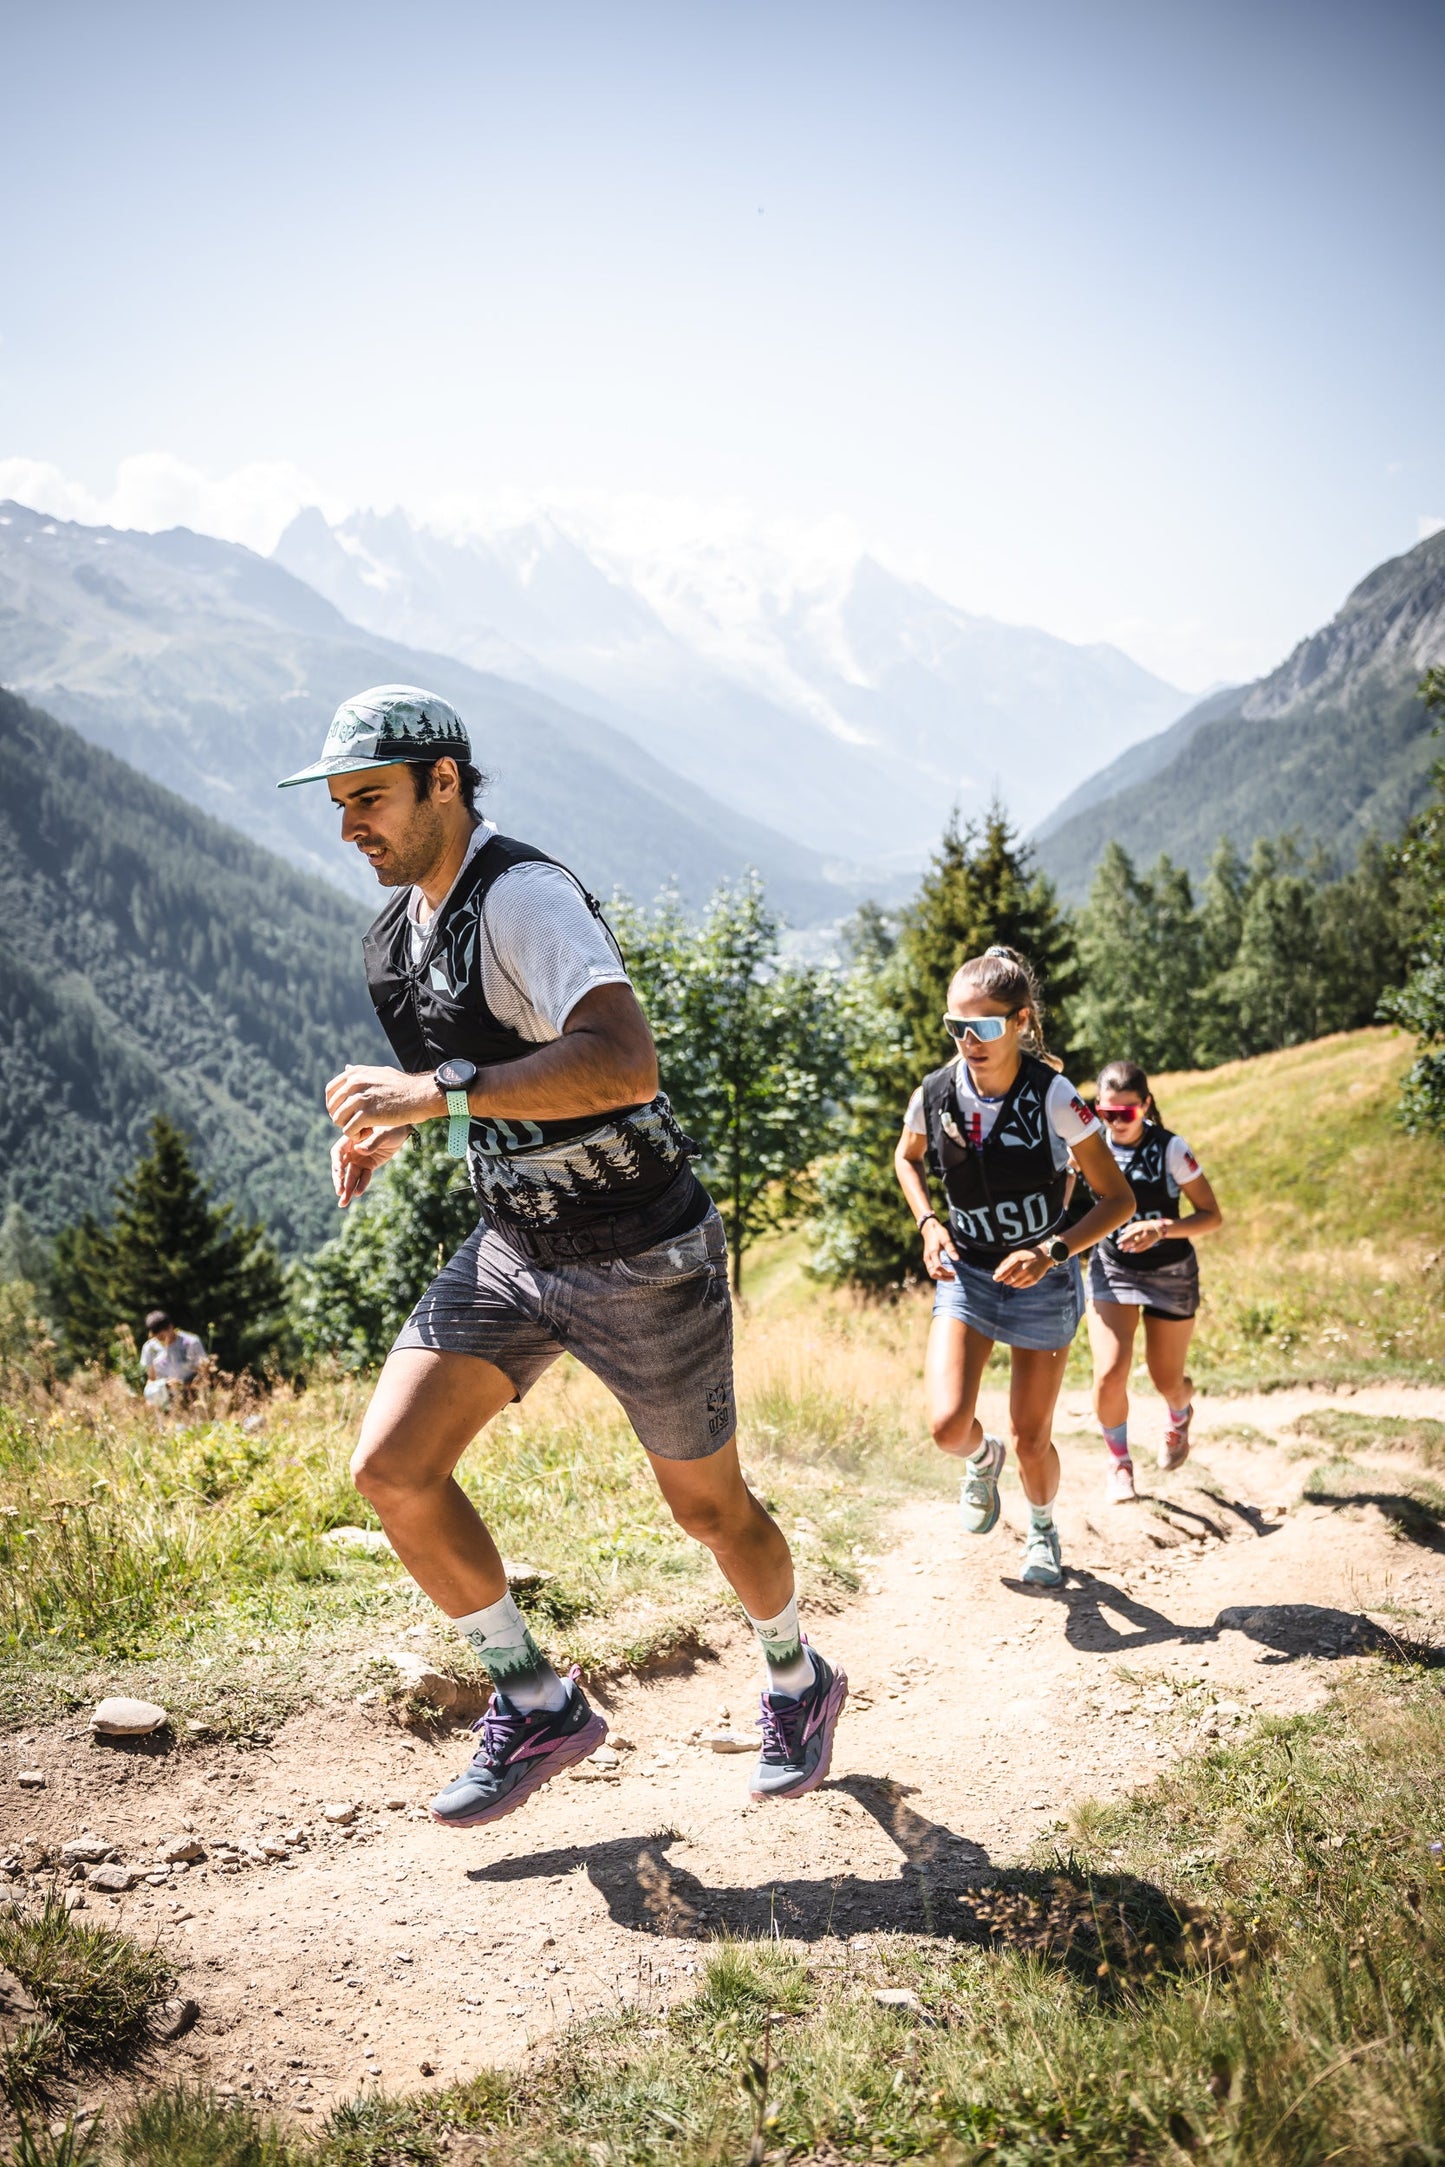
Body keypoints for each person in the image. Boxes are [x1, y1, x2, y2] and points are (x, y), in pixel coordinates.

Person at [276, 684, 846, 1826]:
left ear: (445, 780)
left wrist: (434, 1096)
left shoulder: (524, 899)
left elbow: (623, 1063)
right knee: (391, 1470)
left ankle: (796, 1673)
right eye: (339, 805)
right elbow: (485, 1094)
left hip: (643, 1253)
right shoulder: (395, 936)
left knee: (710, 1512)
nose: (350, 828)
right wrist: (404, 1127)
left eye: (371, 799)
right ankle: (534, 1699)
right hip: (515, 1246)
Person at [893, 946, 1134, 1587]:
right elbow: (906, 1158)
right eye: (956, 1026)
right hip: (967, 1274)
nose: (969, 1040)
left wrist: (1052, 1251)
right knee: (947, 1427)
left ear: (1021, 1020)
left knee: (1034, 1438)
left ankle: (1044, 1530)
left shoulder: (1055, 1097)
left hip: (1044, 1281)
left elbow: (1119, 1200)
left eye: (986, 1026)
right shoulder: (936, 1091)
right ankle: (982, 1460)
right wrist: (927, 1223)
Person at [1082, 1059, 1223, 1502]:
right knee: (1109, 1374)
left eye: (1127, 1113)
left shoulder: (1172, 1150)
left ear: (1145, 1106)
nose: (1117, 1122)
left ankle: (1179, 1415)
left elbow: (1211, 1217)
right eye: (1107, 1113)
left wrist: (1160, 1227)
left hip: (1170, 1273)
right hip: (1113, 1268)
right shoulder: (1087, 1148)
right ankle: (1119, 1464)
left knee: (1167, 1378)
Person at [138, 1310, 205, 1410]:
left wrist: (183, 1386)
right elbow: (151, 1379)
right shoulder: (149, 1348)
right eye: (156, 1338)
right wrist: (162, 1386)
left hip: (191, 1393)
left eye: (161, 1337)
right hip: (163, 1396)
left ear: (170, 1327)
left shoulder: (191, 1342)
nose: (160, 1341)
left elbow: (204, 1374)